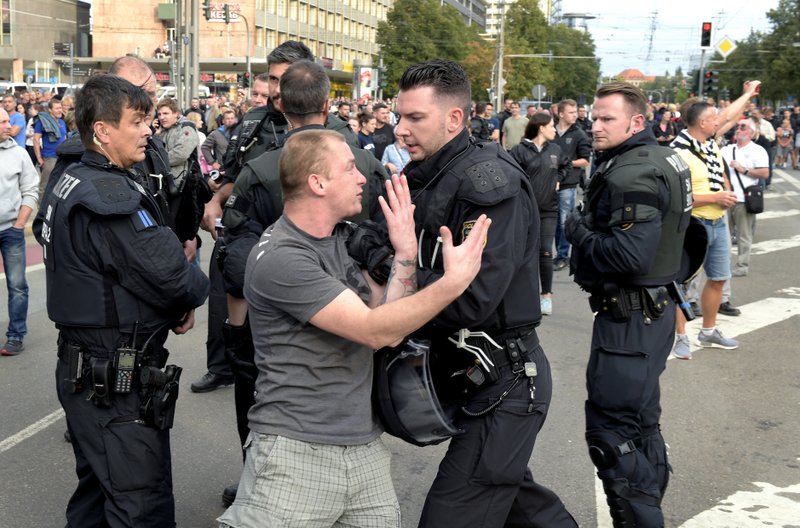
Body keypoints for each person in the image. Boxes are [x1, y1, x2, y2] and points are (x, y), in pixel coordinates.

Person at [217, 129, 490, 528]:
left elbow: (389, 325)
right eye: (349, 168)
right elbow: (373, 330)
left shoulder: (339, 240)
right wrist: (453, 283)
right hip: (295, 454)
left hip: (363, 450)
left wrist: (406, 254)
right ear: (318, 182)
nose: (362, 177)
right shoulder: (281, 256)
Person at [395, 59, 577, 528]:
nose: (400, 129)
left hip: (505, 382)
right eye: (400, 116)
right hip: (472, 375)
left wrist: (396, 282)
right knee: (521, 505)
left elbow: (473, 299)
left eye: (415, 118)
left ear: (454, 119)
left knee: (451, 516)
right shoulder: (435, 172)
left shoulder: (488, 184)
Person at [35, 74, 209, 527]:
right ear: (103, 131)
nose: (148, 129)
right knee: (139, 504)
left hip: (90, 370)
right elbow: (175, 277)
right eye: (137, 121)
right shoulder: (107, 193)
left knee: (99, 492)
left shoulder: (71, 177)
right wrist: (187, 293)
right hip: (114, 378)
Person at [217, 59, 389, 507]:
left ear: (280, 104)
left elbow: (235, 258)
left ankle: (271, 486)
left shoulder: (260, 167)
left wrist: (238, 332)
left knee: (265, 406)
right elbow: (386, 241)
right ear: (329, 103)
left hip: (278, 323)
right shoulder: (367, 164)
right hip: (362, 310)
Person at [565, 82, 693, 527]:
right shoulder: (665, 158)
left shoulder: (632, 171)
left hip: (631, 317)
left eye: (606, 120)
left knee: (611, 433)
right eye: (593, 117)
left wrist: (577, 232)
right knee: (640, 425)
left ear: (636, 122)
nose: (595, 126)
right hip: (652, 312)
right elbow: (691, 236)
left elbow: (628, 255)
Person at [669, 81, 761, 359]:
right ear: (701, 123)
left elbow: (729, 115)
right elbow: (676, 197)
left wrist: (747, 94)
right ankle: (680, 336)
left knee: (719, 278)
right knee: (682, 283)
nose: (719, 121)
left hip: (717, 222)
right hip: (692, 224)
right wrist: (716, 197)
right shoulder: (679, 150)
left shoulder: (708, 139)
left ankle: (709, 330)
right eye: (712, 119)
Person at [510, 111, 570, 316]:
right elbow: (510, 173)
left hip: (548, 211)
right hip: (524, 210)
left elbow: (566, 165)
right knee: (524, 253)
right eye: (552, 126)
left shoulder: (556, 149)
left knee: (545, 251)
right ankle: (523, 295)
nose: (555, 129)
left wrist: (559, 178)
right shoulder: (519, 150)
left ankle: (546, 296)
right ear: (541, 127)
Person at [0, 108, 39, 356]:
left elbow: (31, 190)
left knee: (17, 285)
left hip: (11, 230)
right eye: (2, 121)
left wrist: (19, 225)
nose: (9, 125)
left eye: (7, 120)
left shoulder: (19, 154)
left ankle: (15, 335)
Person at [721, 118, 769, 277]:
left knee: (744, 235)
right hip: (726, 198)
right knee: (723, 235)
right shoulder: (727, 149)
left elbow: (764, 173)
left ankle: (742, 265)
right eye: (738, 126)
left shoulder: (758, 150)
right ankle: (723, 264)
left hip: (744, 198)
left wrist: (744, 170)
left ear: (752, 133)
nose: (739, 129)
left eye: (743, 127)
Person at [553, 99, 591, 271]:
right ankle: (552, 255)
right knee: (552, 222)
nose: (575, 115)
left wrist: (566, 163)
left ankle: (563, 255)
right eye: (571, 112)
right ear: (561, 114)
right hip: (550, 183)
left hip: (568, 184)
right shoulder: (550, 130)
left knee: (563, 222)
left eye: (576, 112)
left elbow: (585, 161)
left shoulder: (579, 134)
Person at [157, 98, 199, 185]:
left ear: (176, 114)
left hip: (185, 183)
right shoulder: (162, 130)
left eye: (165, 113)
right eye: (159, 114)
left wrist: (157, 161)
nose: (161, 117)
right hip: (168, 181)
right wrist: (155, 134)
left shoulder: (186, 128)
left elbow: (180, 154)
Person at [33, 98, 67, 197]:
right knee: (44, 186)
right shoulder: (42, 122)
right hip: (49, 158)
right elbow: (36, 140)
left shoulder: (62, 122)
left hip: (62, 158)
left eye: (60, 107)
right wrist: (39, 158)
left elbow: (64, 139)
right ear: (50, 110)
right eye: (57, 108)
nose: (60, 110)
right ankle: (41, 210)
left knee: (59, 185)